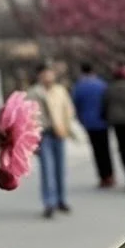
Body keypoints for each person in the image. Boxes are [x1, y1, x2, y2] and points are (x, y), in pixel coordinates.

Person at [28, 64, 75, 218]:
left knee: (60, 168)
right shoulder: (34, 93)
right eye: (45, 74)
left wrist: (66, 128)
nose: (48, 77)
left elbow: (68, 110)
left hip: (59, 132)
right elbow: (29, 116)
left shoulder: (60, 91)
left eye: (50, 74)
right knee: (47, 169)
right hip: (43, 135)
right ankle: (49, 202)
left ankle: (61, 199)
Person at [72, 63, 114, 188]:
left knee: (96, 150)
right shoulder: (102, 84)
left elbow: (76, 104)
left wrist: (80, 118)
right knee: (105, 149)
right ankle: (110, 175)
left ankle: (103, 177)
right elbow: (108, 101)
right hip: (103, 121)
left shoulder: (79, 86)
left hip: (89, 122)